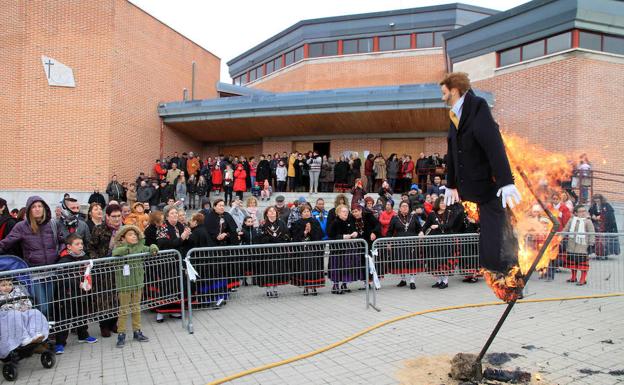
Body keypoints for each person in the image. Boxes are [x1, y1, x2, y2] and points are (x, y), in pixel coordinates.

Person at [441, 72, 521, 279]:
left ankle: (505, 271)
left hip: (486, 184)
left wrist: (506, 181)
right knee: (488, 227)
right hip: (469, 186)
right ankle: (496, 267)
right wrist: (450, 184)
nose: (442, 97)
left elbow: (494, 144)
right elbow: (452, 150)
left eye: (444, 92)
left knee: (496, 225)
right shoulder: (454, 115)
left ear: (455, 90)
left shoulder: (477, 107)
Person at [0, 196, 62, 317]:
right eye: (34, 207)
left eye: (40, 206)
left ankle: (44, 332)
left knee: (49, 305)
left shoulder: (53, 224)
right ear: (29, 210)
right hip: (34, 274)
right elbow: (6, 243)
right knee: (42, 306)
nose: (37, 209)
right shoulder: (21, 226)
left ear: (44, 208)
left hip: (51, 272)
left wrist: (60, 252)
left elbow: (63, 240)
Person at [112, 225, 157, 347]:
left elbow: (149, 248)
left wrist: (153, 247)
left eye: (135, 234)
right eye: (130, 235)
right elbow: (114, 253)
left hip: (138, 283)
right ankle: (121, 333)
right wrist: (125, 249)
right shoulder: (120, 247)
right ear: (123, 237)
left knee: (136, 308)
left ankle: (137, 331)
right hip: (124, 285)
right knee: (124, 310)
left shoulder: (140, 247)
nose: (134, 237)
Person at [53, 234, 98, 354]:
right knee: (65, 317)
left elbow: (88, 273)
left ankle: (83, 335)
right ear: (69, 247)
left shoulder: (85, 257)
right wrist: (78, 283)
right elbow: (64, 277)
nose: (80, 246)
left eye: (81, 244)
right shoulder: (64, 260)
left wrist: (88, 283)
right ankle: (60, 342)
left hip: (81, 293)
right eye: (77, 244)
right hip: (66, 294)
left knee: (82, 313)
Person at [89, 204, 123, 337]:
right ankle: (104, 325)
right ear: (107, 216)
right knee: (103, 298)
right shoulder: (99, 229)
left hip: (118, 268)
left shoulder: (124, 229)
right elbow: (91, 247)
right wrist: (97, 261)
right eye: (113, 216)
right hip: (102, 269)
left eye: (119, 216)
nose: (116, 219)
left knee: (116, 297)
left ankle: (114, 323)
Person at [0, 278, 49, 359]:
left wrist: (25, 306)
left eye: (10, 284)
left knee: (34, 312)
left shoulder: (18, 291)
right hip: (5, 317)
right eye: (3, 285)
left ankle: (35, 334)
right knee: (15, 314)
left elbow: (27, 300)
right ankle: (24, 338)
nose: (7, 287)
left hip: (21, 313)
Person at [388, 201, 424, 290]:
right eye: (403, 206)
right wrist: (388, 242)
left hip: (412, 243)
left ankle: (412, 281)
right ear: (399, 208)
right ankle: (403, 279)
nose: (405, 208)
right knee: (401, 261)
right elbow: (390, 231)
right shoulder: (395, 218)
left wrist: (421, 232)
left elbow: (420, 228)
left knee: (412, 261)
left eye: (406, 206)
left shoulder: (414, 216)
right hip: (399, 243)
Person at [290, 204, 324, 295]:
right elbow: (295, 236)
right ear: (301, 213)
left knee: (314, 268)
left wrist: (311, 231)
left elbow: (320, 234)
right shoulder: (297, 223)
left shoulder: (315, 221)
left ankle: (313, 287)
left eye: (308, 211)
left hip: (313, 249)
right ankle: (305, 287)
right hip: (303, 249)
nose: (307, 213)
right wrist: (304, 232)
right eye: (304, 212)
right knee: (304, 268)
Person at [423, 197, 456, 289]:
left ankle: (445, 281)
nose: (443, 204)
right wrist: (421, 231)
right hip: (435, 242)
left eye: (444, 203)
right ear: (437, 204)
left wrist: (438, 226)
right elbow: (426, 225)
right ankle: (438, 281)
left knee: (444, 262)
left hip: (446, 241)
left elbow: (450, 225)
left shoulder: (450, 213)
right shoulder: (432, 214)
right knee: (436, 261)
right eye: (441, 203)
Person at [327, 204, 362, 294]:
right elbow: (331, 235)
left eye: (347, 211)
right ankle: (335, 286)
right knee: (337, 268)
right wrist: (343, 236)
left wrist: (355, 233)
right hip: (337, 250)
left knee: (347, 267)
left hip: (348, 249)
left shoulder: (350, 221)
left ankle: (344, 284)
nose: (346, 213)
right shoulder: (335, 222)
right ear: (338, 213)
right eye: (343, 211)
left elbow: (355, 231)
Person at [258, 206, 290, 298]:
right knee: (268, 270)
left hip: (278, 250)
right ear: (266, 213)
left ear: (276, 213)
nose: (272, 212)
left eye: (273, 211)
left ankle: (275, 289)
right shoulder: (263, 224)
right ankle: (268, 290)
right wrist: (268, 238)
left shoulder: (281, 223)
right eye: (270, 211)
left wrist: (281, 240)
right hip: (267, 251)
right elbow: (260, 237)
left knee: (277, 269)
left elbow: (286, 234)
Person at [563, 205, 595, 286]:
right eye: (581, 211)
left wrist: (591, 244)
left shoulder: (588, 221)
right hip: (572, 245)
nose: (583, 213)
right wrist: (559, 238)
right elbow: (566, 230)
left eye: (584, 211)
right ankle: (573, 277)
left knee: (582, 264)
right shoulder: (571, 220)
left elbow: (592, 233)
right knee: (573, 262)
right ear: (576, 213)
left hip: (583, 246)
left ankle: (583, 279)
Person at [589, 194, 620, 259]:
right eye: (595, 201)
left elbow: (610, 215)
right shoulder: (593, 206)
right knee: (597, 242)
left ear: (601, 200)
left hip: (606, 227)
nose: (597, 202)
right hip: (596, 227)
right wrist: (592, 216)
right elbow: (590, 212)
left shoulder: (607, 205)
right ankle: (598, 254)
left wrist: (601, 217)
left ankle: (605, 254)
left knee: (605, 242)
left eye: (598, 201)